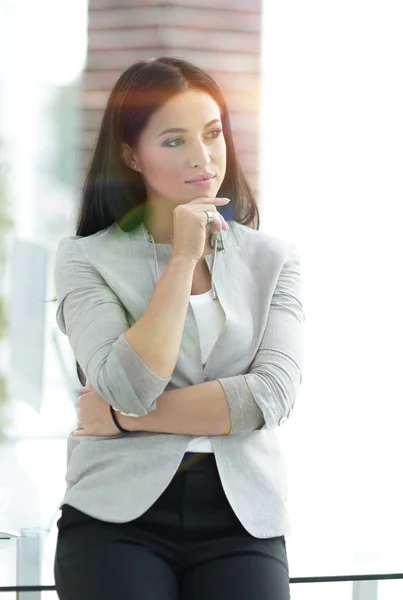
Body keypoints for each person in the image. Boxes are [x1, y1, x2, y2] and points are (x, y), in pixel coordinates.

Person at [53, 56, 304, 600]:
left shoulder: (273, 259)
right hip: (116, 514)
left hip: (243, 518)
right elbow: (130, 384)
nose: (202, 158)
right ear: (131, 155)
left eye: (212, 135)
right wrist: (182, 258)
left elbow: (270, 396)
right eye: (173, 141)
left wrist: (119, 420)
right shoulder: (84, 259)